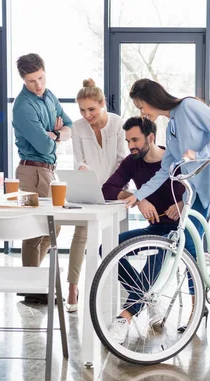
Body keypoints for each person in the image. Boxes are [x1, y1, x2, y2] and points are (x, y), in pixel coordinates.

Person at [124, 78, 210, 335]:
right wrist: (138, 195)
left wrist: (201, 155)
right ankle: (197, 304)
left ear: (152, 98)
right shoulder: (171, 127)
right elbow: (165, 170)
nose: (142, 112)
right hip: (200, 188)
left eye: (141, 105)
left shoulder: (188, 106)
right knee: (189, 244)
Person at [101, 116, 185, 342]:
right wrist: (138, 199)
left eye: (135, 140)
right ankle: (147, 297)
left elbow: (200, 191)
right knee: (107, 247)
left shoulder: (175, 160)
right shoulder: (132, 161)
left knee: (155, 258)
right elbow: (107, 189)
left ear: (150, 137)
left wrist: (184, 204)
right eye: (128, 141)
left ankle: (124, 317)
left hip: (179, 233)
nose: (131, 146)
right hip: (155, 229)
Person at [12, 53, 72, 305]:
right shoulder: (23, 106)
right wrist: (57, 136)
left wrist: (55, 133)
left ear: (45, 71)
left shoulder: (49, 96)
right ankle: (32, 286)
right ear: (23, 80)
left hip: (47, 170)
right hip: (31, 171)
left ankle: (32, 282)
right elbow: (43, 145)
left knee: (54, 227)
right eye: (31, 81)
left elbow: (70, 127)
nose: (37, 84)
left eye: (40, 78)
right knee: (33, 229)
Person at [66, 78, 128, 312]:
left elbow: (123, 160)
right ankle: (72, 287)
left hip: (115, 190)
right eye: (82, 110)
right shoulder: (77, 127)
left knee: (121, 239)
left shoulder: (118, 124)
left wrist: (114, 188)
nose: (87, 115)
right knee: (80, 236)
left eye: (91, 109)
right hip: (89, 190)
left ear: (102, 104)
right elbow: (79, 160)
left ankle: (125, 291)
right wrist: (83, 172)